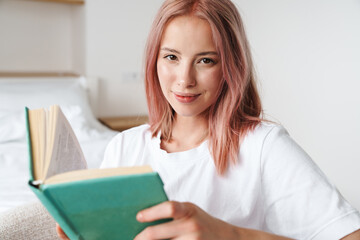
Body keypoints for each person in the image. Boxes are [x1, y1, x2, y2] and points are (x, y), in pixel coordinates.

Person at [57, 0, 360, 239]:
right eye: (172, 57)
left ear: (231, 66)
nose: (184, 79)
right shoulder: (123, 147)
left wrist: (230, 235)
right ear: (154, 61)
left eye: (205, 60)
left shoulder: (263, 146)